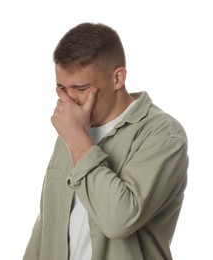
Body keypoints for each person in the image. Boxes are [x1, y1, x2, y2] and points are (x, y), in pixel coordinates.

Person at [23, 22, 188, 260]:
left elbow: (118, 221)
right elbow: (48, 222)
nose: (70, 101)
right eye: (61, 88)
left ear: (117, 78)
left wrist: (77, 138)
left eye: (80, 87)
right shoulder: (73, 131)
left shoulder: (163, 135)